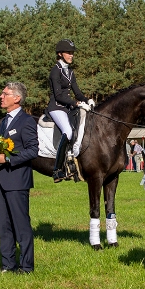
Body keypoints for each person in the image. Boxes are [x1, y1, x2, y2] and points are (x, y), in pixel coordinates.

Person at [0, 82, 38, 273]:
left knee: (21, 226)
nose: (1, 96)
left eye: (5, 94)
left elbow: (33, 151)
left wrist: (9, 159)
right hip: (1, 181)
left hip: (18, 181)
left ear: (17, 98)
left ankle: (26, 267)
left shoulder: (26, 121)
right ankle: (8, 265)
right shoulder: (4, 122)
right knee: (4, 226)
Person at [47, 39, 93, 182]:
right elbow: (59, 95)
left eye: (72, 53)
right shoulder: (55, 71)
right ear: (60, 54)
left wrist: (87, 100)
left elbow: (77, 92)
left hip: (67, 107)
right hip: (56, 107)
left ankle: (74, 165)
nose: (71, 55)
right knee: (67, 131)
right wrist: (77, 103)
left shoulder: (70, 72)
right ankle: (57, 170)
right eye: (69, 53)